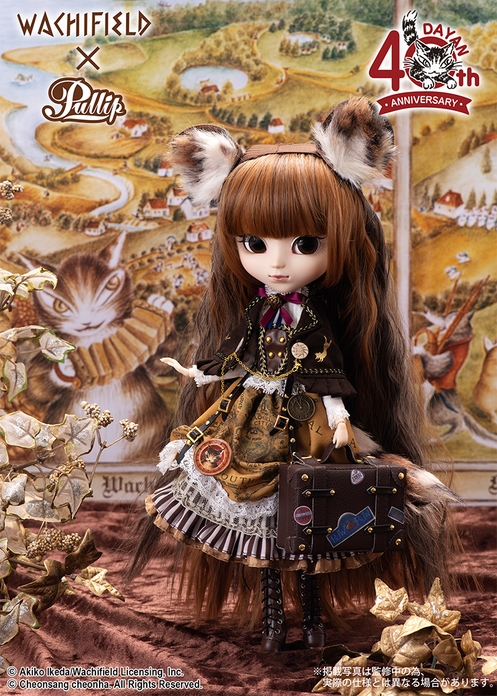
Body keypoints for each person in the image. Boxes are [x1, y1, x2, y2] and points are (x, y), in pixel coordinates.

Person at [130, 98, 459, 652]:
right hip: (250, 420)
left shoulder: (313, 318)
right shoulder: (258, 311)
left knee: (309, 526)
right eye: (255, 245)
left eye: (305, 245)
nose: (278, 263)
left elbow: (327, 371)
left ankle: (310, 617)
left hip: (308, 425)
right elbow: (236, 352)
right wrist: (204, 375)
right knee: (257, 524)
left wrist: (339, 417)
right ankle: (273, 620)